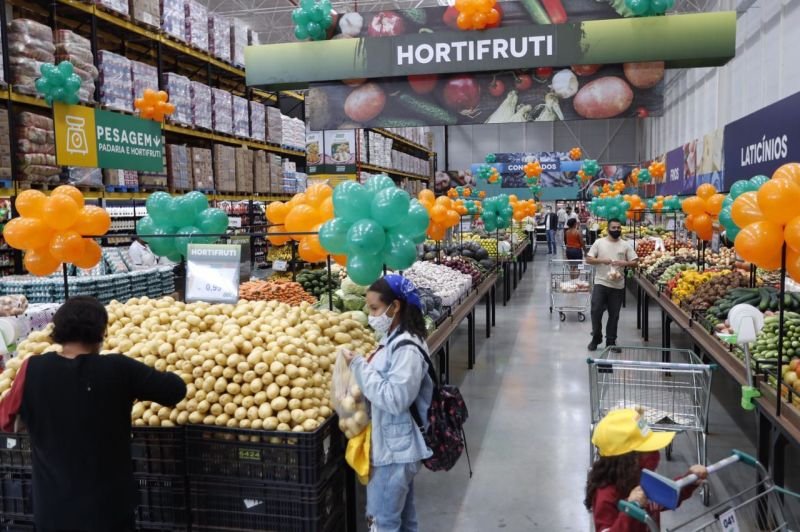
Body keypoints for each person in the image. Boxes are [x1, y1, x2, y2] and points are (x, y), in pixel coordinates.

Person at [0, 296, 186, 531]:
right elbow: (175, 390)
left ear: (57, 331)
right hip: (108, 509)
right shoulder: (120, 369)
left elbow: (6, 420)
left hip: (54, 508)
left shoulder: (33, 368)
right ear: (101, 332)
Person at [343, 274, 434, 532]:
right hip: (393, 442)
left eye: (375, 308)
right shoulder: (394, 337)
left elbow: (394, 399)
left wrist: (359, 365)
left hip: (395, 450)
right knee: (403, 521)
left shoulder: (407, 348)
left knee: (381, 522)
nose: (371, 315)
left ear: (395, 307)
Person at [586, 408, 708, 532]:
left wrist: (688, 480)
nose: (654, 454)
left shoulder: (640, 477)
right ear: (626, 459)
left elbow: (665, 496)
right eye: (646, 450)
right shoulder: (605, 496)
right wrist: (631, 510)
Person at [585, 218, 638, 351]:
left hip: (617, 285)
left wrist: (623, 263)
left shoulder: (625, 245)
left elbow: (635, 262)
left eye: (618, 228)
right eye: (614, 228)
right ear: (608, 228)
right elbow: (588, 259)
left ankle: (611, 341)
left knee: (614, 315)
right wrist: (602, 260)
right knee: (595, 311)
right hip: (601, 283)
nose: (616, 230)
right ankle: (596, 337)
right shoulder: (599, 242)